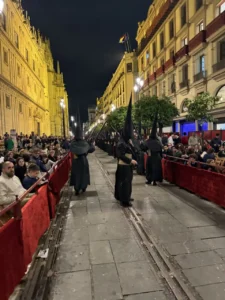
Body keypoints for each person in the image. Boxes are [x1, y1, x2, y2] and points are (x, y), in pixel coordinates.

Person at [114, 97, 137, 207]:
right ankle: (124, 200)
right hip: (124, 166)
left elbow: (134, 151)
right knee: (125, 182)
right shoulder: (121, 143)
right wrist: (130, 160)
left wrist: (132, 145)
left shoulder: (127, 142)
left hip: (128, 166)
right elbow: (120, 155)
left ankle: (126, 196)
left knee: (128, 182)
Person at [70, 119, 95, 195]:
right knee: (83, 175)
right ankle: (83, 187)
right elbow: (91, 149)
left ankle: (77, 189)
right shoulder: (84, 142)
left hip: (75, 161)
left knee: (77, 175)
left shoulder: (73, 143)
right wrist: (92, 145)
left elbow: (72, 150)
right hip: (83, 161)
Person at [145, 112, 163, 185]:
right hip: (157, 157)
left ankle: (149, 180)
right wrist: (161, 156)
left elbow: (144, 147)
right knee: (156, 169)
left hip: (150, 156)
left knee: (150, 169)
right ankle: (155, 181)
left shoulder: (148, 141)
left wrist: (147, 152)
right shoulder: (158, 141)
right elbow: (160, 150)